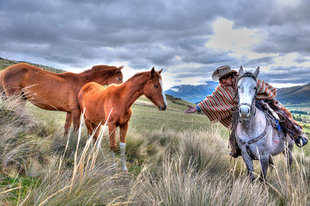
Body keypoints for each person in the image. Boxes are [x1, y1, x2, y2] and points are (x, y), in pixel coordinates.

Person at [185, 65, 308, 158]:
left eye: (223, 78)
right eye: (219, 80)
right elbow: (212, 99)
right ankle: (237, 148)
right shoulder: (222, 89)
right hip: (243, 107)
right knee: (234, 125)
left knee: (281, 114)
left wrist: (266, 99)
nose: (221, 82)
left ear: (231, 76)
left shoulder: (244, 79)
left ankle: (297, 134)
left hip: (260, 101)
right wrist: (196, 108)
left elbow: (261, 86)